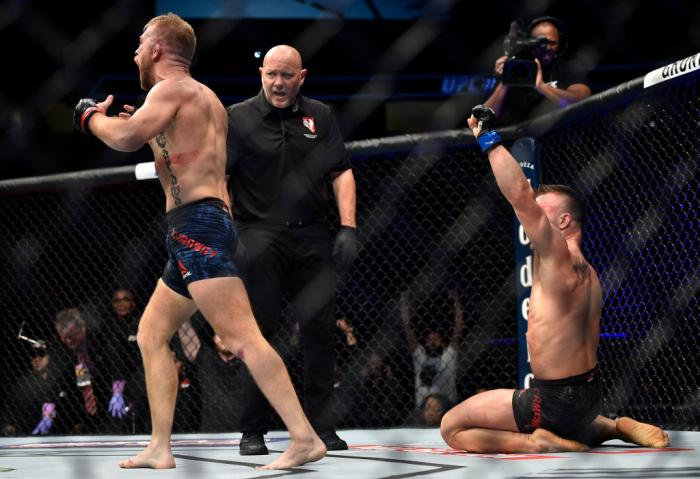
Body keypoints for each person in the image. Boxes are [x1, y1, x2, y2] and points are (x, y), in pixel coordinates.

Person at [73, 13, 325, 469]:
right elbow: (181, 159)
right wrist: (153, 134)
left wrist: (90, 116)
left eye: (139, 44)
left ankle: (304, 437)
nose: (134, 54)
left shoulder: (168, 90)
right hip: (197, 225)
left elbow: (126, 138)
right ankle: (160, 446)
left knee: (240, 335)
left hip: (198, 226)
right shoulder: (205, 97)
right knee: (151, 334)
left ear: (156, 50)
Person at [439, 105, 670, 453]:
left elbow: (519, 196)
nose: (533, 215)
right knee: (569, 416)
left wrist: (487, 138)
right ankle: (609, 425)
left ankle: (536, 441)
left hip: (551, 401)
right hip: (587, 395)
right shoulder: (588, 271)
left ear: (562, 222)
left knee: (451, 427)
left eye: (541, 208)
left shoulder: (557, 257)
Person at [225, 45, 357, 455]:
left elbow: (342, 171)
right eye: (272, 75)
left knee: (319, 330)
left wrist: (349, 226)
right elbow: (220, 179)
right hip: (258, 234)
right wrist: (231, 232)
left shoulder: (320, 115)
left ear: (302, 76)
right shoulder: (239, 117)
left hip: (311, 233)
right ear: (261, 73)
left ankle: (321, 427)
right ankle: (253, 430)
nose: (278, 83)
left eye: (287, 75)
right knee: (258, 333)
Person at [484, 16, 591, 126]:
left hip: (561, 136)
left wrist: (541, 87)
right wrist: (504, 81)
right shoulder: (515, 69)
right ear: (530, 43)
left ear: (560, 44)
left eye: (552, 43)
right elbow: (485, 118)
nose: (547, 47)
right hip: (520, 139)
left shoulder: (570, 68)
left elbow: (582, 101)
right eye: (541, 42)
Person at [400, 288, 464, 408]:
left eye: (436, 339)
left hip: (447, 406)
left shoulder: (448, 355)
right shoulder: (420, 355)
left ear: (443, 342)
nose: (433, 342)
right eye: (429, 340)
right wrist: (404, 302)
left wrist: (456, 301)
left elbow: (458, 327)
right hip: (423, 407)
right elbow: (407, 328)